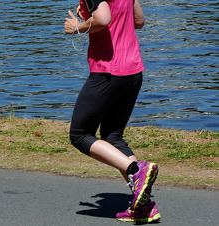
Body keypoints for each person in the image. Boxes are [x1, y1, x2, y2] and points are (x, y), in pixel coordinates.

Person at [64, 0, 161, 222]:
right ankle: (143, 206)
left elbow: (104, 19)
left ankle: (136, 169)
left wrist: (77, 27)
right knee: (113, 136)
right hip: (133, 71)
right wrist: (90, 14)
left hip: (108, 71)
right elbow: (138, 21)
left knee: (79, 134)